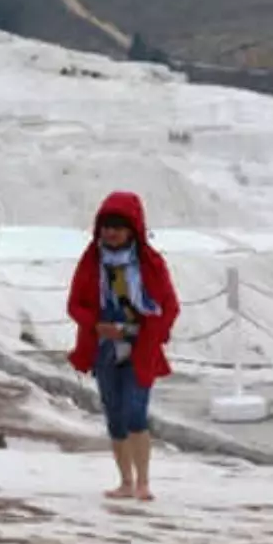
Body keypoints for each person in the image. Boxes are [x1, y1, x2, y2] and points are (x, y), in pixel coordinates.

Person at [66, 192, 179, 502]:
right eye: (106, 226)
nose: (111, 232)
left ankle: (143, 482)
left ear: (133, 229)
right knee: (114, 414)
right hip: (104, 347)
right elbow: (75, 303)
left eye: (118, 226)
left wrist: (146, 332)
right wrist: (95, 325)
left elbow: (169, 307)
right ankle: (125, 481)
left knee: (135, 412)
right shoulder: (91, 262)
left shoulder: (150, 265)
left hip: (139, 347)